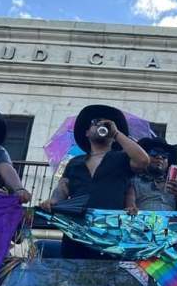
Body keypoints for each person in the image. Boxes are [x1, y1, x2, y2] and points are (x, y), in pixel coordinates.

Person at [39, 104, 150, 259]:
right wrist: (53, 201)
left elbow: (143, 160)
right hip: (76, 232)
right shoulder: (74, 162)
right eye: (95, 122)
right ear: (86, 132)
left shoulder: (122, 158)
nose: (101, 125)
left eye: (107, 123)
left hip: (109, 234)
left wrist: (116, 132)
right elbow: (63, 188)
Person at [125, 137, 177, 212]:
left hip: (170, 223)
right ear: (145, 157)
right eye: (154, 153)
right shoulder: (135, 182)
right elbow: (130, 207)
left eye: (164, 155)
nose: (159, 157)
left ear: (168, 162)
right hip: (144, 222)